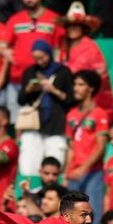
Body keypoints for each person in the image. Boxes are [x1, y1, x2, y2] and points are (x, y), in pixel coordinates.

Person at [5, 0, 62, 121]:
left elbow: (59, 49)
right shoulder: (15, 20)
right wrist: (11, 56)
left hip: (43, 80)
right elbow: (3, 45)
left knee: (41, 121)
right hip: (17, 80)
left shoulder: (54, 19)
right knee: (17, 121)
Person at [17, 39, 74, 177]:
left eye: (43, 57)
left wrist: (54, 90)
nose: (40, 61)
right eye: (36, 58)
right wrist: (28, 90)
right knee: (28, 165)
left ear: (49, 53)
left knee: (54, 165)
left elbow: (71, 100)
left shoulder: (63, 72)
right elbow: (21, 100)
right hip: (34, 124)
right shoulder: (30, 72)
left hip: (55, 124)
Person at [64, 70, 109, 224]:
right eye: (75, 84)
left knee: (91, 216)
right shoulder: (71, 114)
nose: (76, 88)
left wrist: (83, 168)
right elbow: (70, 147)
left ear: (91, 88)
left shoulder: (100, 113)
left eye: (81, 84)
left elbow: (101, 146)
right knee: (71, 219)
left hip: (92, 172)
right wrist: (66, 172)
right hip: (73, 173)